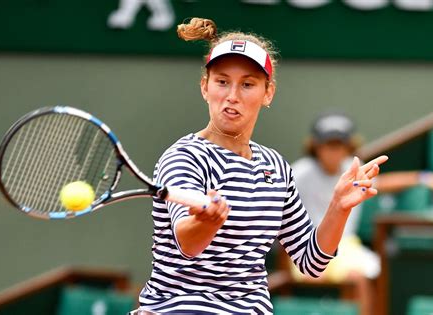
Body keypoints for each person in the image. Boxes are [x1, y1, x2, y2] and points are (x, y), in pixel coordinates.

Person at [135, 18, 388, 314]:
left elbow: (312, 262)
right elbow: (188, 244)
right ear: (205, 87)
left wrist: (338, 208)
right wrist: (207, 223)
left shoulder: (276, 167)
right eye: (222, 81)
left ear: (268, 93)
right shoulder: (184, 157)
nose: (232, 95)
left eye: (247, 84)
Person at [291, 111, 433, 315]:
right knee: (356, 277)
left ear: (348, 147)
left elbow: (382, 183)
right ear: (316, 147)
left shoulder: (351, 169)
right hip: (306, 248)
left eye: (339, 145)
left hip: (346, 247)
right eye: (328, 145)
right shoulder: (299, 174)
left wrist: (421, 178)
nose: (334, 151)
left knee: (375, 273)